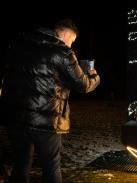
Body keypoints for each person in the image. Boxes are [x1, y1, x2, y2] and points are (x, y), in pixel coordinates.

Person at [1, 19, 100, 183]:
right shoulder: (62, 52)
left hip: (16, 117)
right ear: (67, 34)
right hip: (46, 120)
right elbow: (83, 85)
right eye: (72, 40)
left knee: (21, 164)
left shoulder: (19, 45)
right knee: (51, 167)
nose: (70, 45)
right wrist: (94, 77)